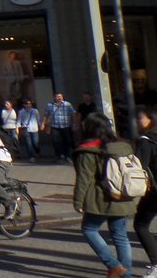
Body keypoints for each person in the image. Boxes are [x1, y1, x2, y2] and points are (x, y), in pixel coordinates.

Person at [73, 112, 138, 278]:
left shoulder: (88, 150)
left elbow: (84, 179)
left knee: (89, 229)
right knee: (120, 236)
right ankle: (127, 274)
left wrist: (78, 201)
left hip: (101, 198)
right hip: (123, 195)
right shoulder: (124, 145)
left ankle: (114, 265)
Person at [133, 107, 157, 278]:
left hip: (154, 190)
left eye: (140, 118)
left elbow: (139, 166)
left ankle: (156, 265)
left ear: (151, 119)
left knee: (140, 225)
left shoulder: (146, 141)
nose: (137, 121)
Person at [45, 92, 77, 161]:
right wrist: (45, 124)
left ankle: (67, 156)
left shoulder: (67, 104)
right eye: (57, 97)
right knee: (55, 141)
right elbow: (46, 115)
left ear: (62, 97)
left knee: (67, 141)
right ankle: (58, 155)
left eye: (60, 97)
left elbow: (73, 113)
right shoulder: (50, 105)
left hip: (66, 126)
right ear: (54, 98)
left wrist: (74, 124)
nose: (59, 98)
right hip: (55, 126)